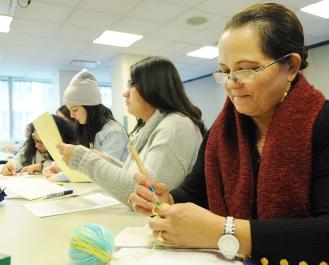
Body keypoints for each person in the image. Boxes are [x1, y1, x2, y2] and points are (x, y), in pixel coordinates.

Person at [128, 3, 329, 264]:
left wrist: (225, 231)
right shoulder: (222, 134)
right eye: (224, 71)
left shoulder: (322, 124)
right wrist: (165, 200)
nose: (232, 83)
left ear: (291, 66)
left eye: (246, 69)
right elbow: (195, 192)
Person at [58, 56, 206, 205]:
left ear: (153, 86)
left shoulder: (175, 126)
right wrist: (104, 159)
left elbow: (146, 196)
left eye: (131, 84)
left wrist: (84, 160)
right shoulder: (156, 126)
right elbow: (135, 176)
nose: (125, 93)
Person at [63, 69, 128, 162]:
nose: (72, 115)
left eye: (75, 110)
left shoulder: (114, 132)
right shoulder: (88, 129)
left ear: (90, 108)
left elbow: (103, 168)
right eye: (69, 110)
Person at [1, 115, 76, 176]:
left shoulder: (68, 148)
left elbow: (68, 168)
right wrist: (11, 166)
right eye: (35, 139)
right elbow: (18, 159)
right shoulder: (32, 143)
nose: (36, 145)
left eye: (42, 143)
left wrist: (42, 166)